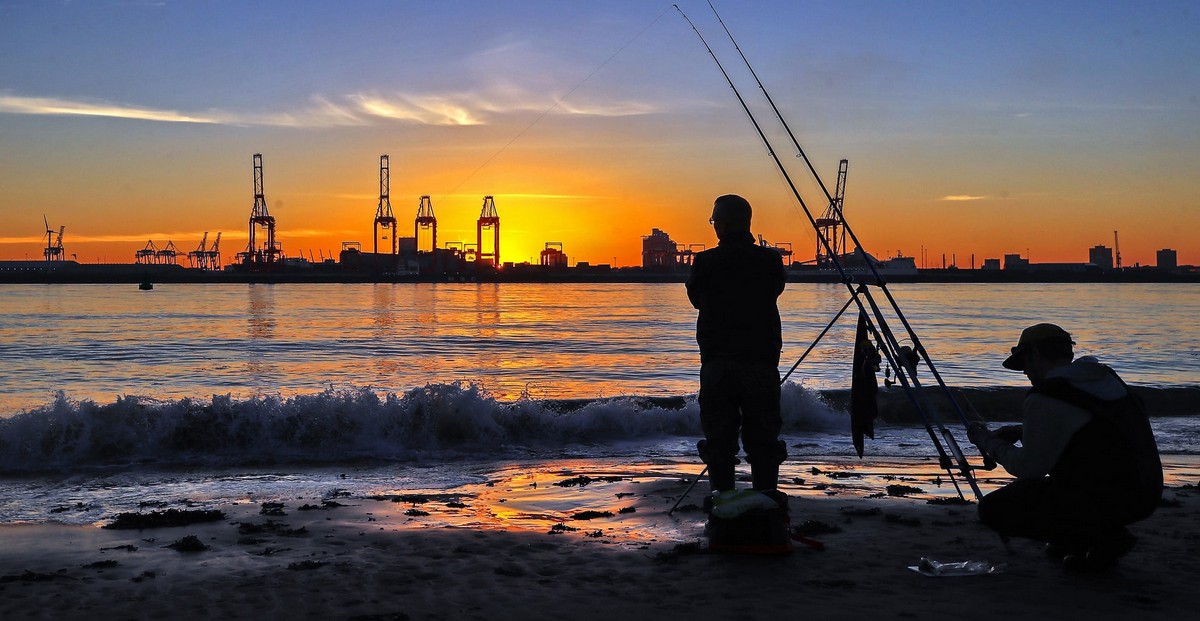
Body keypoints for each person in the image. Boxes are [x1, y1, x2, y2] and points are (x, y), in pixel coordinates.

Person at [968, 323, 1162, 572]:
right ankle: (1083, 537)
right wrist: (1022, 431)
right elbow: (1093, 431)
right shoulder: (1103, 377)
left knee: (995, 509)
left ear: (1036, 354)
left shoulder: (1047, 396)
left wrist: (987, 441)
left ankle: (1101, 538)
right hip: (1146, 493)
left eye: (1025, 362)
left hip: (1105, 498)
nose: (1025, 372)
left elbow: (1028, 468)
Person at [685, 194, 788, 499]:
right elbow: (776, 289)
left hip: (719, 362)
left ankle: (723, 500)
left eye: (714, 221)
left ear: (724, 224)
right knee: (764, 438)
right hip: (761, 361)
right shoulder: (771, 260)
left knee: (719, 438)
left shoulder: (705, 262)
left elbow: (695, 299)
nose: (714, 226)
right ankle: (767, 498)